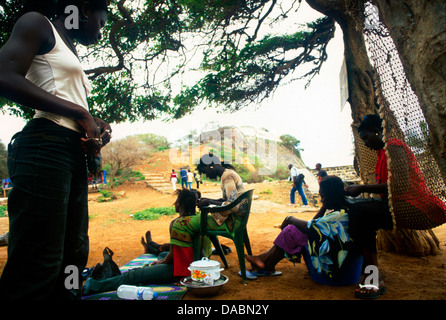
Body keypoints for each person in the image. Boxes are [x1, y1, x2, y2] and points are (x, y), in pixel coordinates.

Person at [0, 0, 110, 300]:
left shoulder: (69, 47)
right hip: (44, 149)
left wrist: (95, 124)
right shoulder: (37, 23)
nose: (100, 34)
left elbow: (64, 99)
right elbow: (4, 76)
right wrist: (81, 114)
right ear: (84, 9)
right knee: (39, 259)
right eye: (100, 24)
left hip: (70, 153)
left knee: (74, 252)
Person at [246, 175, 393, 299]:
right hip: (337, 247)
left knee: (292, 230)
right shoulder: (346, 209)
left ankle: (266, 261)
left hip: (333, 263)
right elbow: (315, 223)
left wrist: (290, 218)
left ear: (330, 197)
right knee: (294, 230)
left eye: (323, 197)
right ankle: (265, 260)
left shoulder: (339, 216)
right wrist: (325, 205)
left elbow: (312, 226)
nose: (321, 200)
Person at [83, 188, 202, 295]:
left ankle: (92, 286)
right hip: (194, 263)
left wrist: (160, 262)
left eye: (176, 201)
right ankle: (151, 250)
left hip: (181, 270)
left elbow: (171, 257)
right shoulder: (198, 219)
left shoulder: (178, 223)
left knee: (135, 275)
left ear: (180, 204)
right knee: (161, 253)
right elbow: (190, 245)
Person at [168, 153, 246, 277]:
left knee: (180, 224)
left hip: (232, 221)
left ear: (211, 166)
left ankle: (185, 267)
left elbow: (232, 205)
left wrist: (209, 202)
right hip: (235, 218)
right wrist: (210, 200)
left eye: (204, 171)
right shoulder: (228, 174)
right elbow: (228, 200)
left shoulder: (227, 176)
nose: (206, 175)